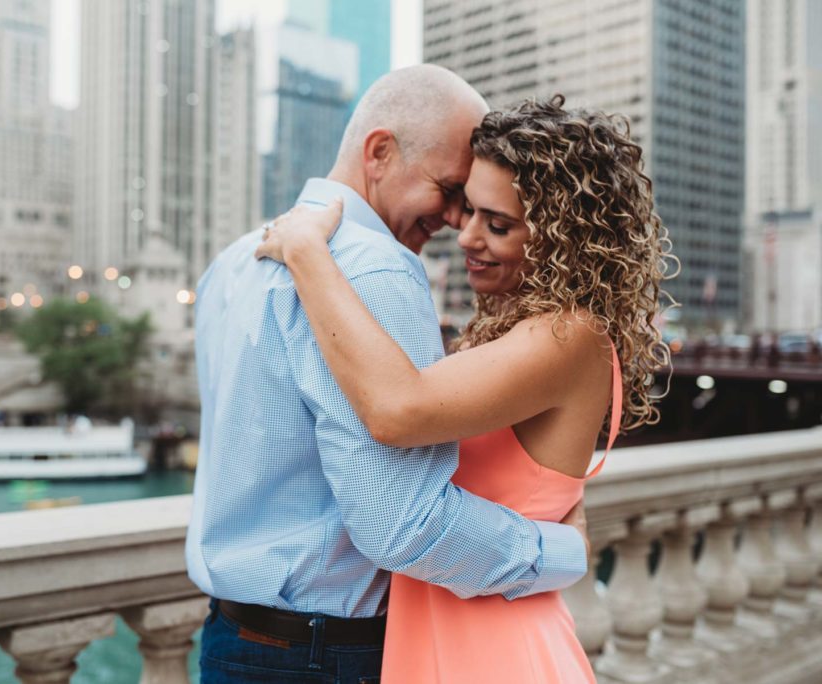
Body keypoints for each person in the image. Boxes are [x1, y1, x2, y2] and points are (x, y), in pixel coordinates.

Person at [187, 67, 591, 683]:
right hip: (326, 654)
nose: (459, 221)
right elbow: (402, 524)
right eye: (450, 189)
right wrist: (558, 551)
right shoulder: (380, 270)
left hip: (227, 638)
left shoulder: (235, 259)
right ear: (380, 152)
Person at [255, 94, 673, 682]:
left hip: (495, 653)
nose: (467, 236)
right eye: (469, 210)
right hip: (446, 639)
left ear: (564, 240)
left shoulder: (570, 334)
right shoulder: (522, 330)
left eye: (497, 224)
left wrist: (306, 252)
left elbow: (398, 408)